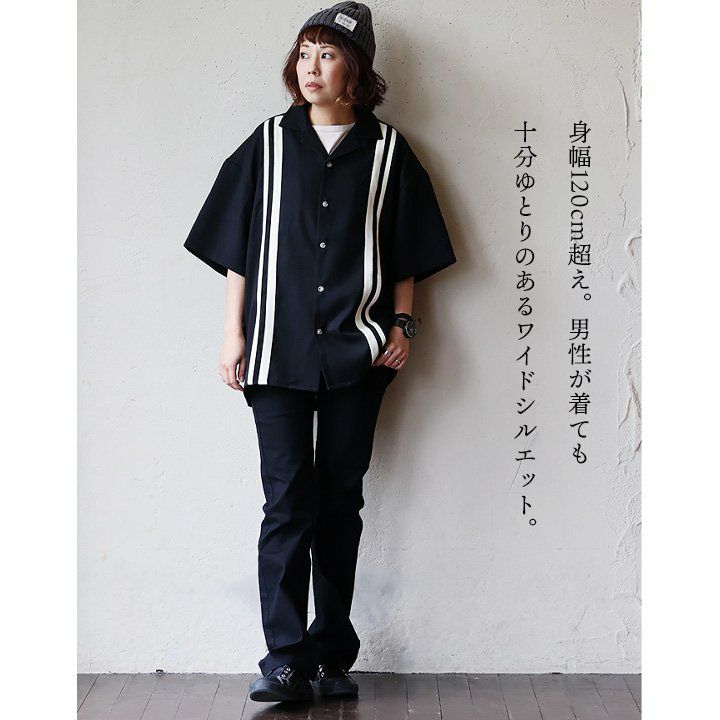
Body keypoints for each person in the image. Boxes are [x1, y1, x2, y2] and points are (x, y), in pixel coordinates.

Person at [183, 1, 457, 704]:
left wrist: (404, 326)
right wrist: (232, 333)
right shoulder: (268, 144)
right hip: (274, 354)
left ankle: (332, 654)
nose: (312, 67)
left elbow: (406, 250)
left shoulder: (389, 151)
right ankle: (283, 659)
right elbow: (238, 248)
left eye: (328, 54)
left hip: (358, 354)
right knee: (286, 503)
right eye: (304, 53)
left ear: (355, 70)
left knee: (340, 502)